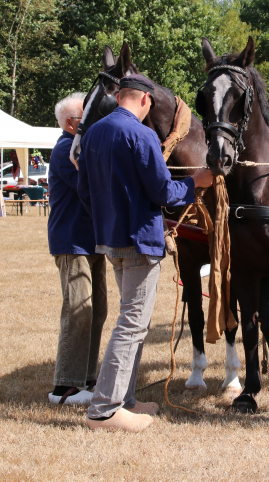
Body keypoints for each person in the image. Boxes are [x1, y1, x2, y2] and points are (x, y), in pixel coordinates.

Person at [77, 74, 214, 432]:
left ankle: (125, 400)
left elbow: (84, 191)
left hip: (112, 242)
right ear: (145, 101)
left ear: (120, 95)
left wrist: (109, 221)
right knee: (132, 323)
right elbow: (162, 191)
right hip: (140, 243)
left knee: (133, 320)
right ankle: (104, 410)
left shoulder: (92, 133)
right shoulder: (142, 134)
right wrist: (196, 182)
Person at [47, 93, 108, 407]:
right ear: (73, 123)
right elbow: (94, 187)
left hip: (90, 242)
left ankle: (85, 379)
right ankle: (65, 386)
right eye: (87, 116)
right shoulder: (64, 151)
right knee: (79, 310)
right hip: (73, 243)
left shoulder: (78, 148)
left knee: (96, 310)